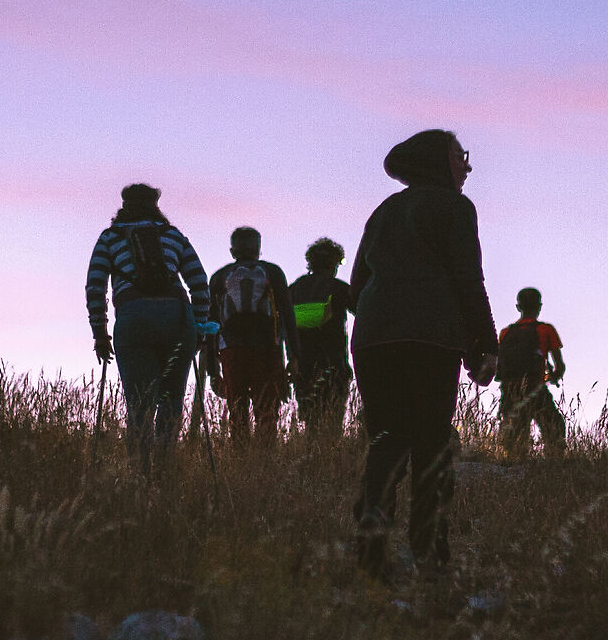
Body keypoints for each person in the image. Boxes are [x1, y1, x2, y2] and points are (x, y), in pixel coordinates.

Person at [348, 128, 496, 577]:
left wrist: (385, 312)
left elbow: (356, 288)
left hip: (372, 337)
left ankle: (372, 548)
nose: (466, 166)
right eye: (459, 156)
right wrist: (485, 344)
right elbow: (468, 278)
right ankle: (429, 554)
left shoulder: (384, 211)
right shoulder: (455, 207)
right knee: (432, 442)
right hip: (430, 336)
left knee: (386, 439)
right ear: (438, 161)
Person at [86, 183, 211, 468]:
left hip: (134, 318)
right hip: (178, 319)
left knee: (140, 403)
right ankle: (165, 470)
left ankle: (140, 474)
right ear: (156, 205)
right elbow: (199, 283)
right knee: (170, 400)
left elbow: (95, 287)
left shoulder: (110, 237)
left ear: (124, 206)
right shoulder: (173, 236)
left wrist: (100, 334)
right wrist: (200, 328)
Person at [207, 227, 294, 445]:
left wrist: (212, 367)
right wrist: (294, 355)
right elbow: (287, 316)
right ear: (259, 249)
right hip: (267, 349)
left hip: (230, 350)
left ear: (232, 250)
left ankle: (240, 457)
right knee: (267, 409)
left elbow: (211, 323)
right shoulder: (273, 272)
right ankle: (265, 458)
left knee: (237, 408)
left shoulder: (219, 276)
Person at [289, 238, 355, 440]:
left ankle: (311, 460)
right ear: (334, 263)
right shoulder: (339, 288)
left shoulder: (293, 289)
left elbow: (283, 327)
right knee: (333, 421)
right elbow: (363, 311)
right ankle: (329, 460)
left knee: (310, 421)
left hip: (302, 365)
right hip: (333, 363)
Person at [496, 287, 566, 458]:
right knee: (554, 426)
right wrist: (551, 377)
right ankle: (554, 463)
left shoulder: (505, 333)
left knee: (515, 436)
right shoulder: (546, 330)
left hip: (510, 390)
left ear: (518, 307)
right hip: (535, 389)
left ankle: (512, 466)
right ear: (539, 306)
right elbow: (560, 367)